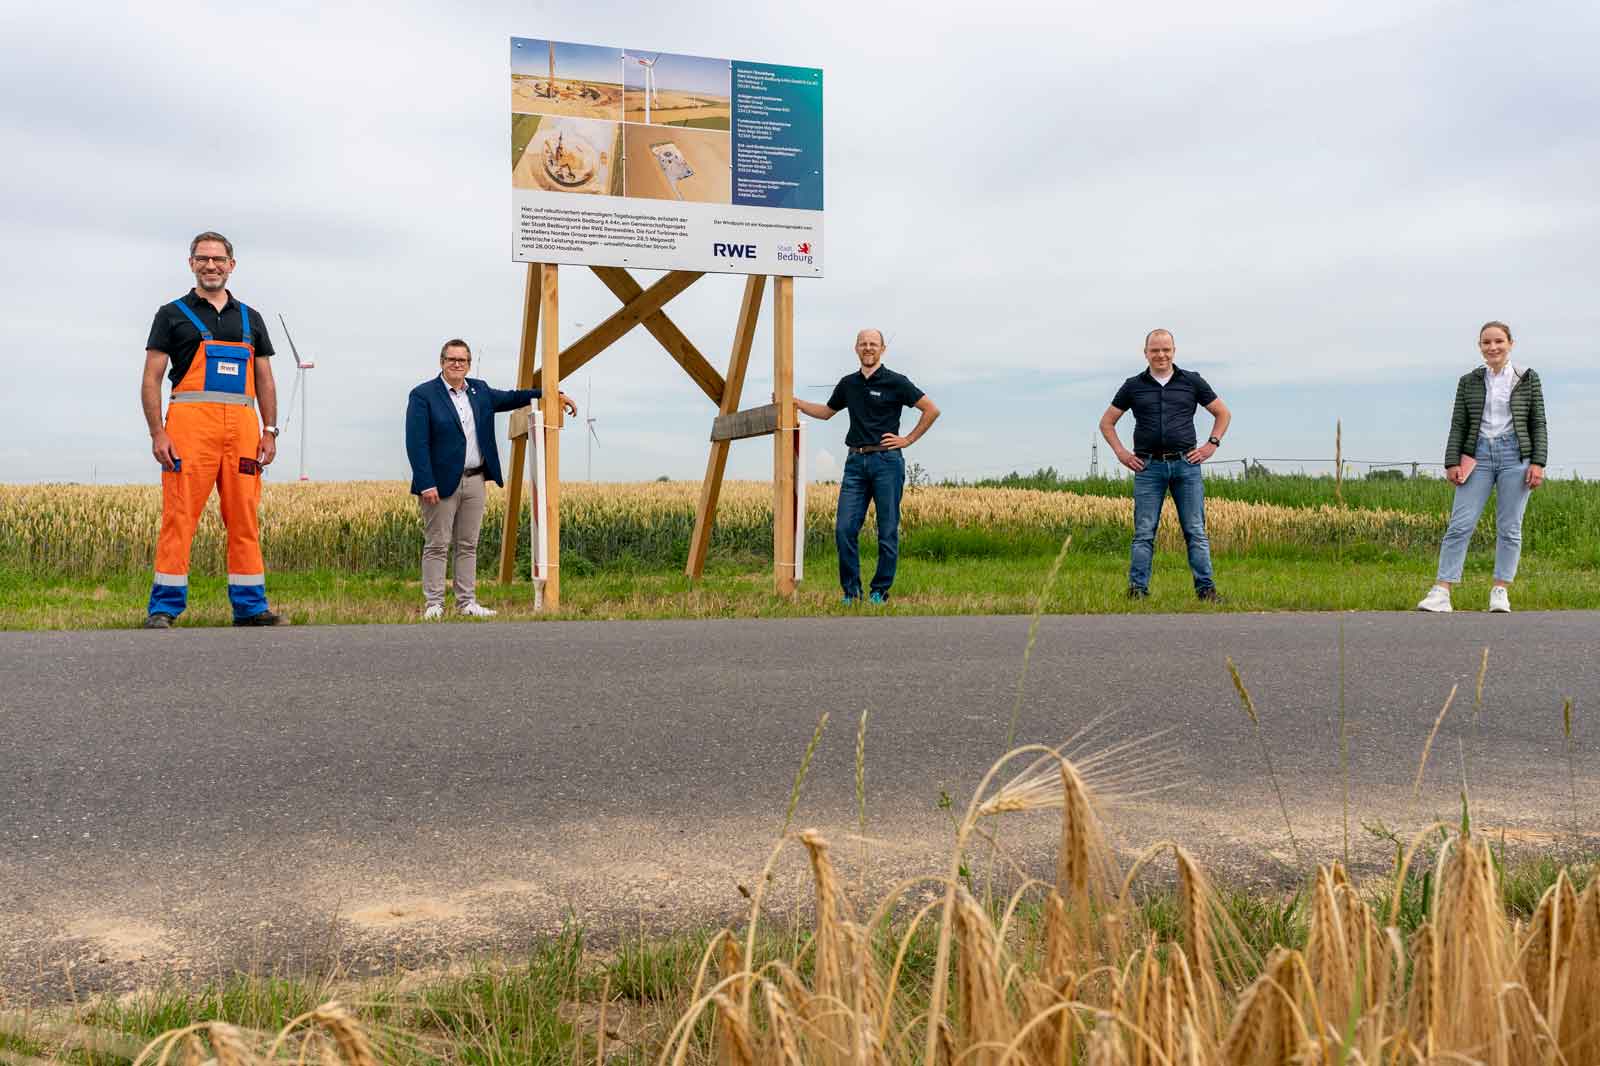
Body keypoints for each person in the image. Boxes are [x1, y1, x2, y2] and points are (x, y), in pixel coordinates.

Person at [142, 231, 282, 628]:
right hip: (188, 430)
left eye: (218, 259)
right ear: (191, 264)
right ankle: (164, 608)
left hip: (242, 431)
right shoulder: (170, 314)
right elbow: (151, 378)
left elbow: (265, 379)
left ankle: (251, 607)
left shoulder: (250, 318)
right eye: (202, 259)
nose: (211, 266)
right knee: (179, 516)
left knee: (244, 517)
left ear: (231, 265)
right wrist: (158, 433)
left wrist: (269, 430)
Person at [405, 340, 575, 620]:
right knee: (437, 544)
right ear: (442, 362)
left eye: (462, 360)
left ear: (469, 364)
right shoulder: (423, 395)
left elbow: (511, 397)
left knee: (468, 544)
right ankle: (434, 604)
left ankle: (467, 602)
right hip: (440, 483)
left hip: (475, 479)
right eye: (451, 359)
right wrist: (426, 482)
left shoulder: (479, 390)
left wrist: (552, 393)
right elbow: (416, 442)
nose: (457, 364)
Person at [793, 329, 940, 604]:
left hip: (887, 462)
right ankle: (851, 592)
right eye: (863, 344)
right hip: (855, 464)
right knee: (844, 529)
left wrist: (907, 439)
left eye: (873, 344)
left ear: (882, 349)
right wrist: (797, 403)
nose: (868, 348)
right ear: (856, 349)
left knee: (887, 530)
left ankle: (879, 591)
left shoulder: (897, 381)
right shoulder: (848, 384)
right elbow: (826, 413)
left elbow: (931, 409)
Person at [1417, 321, 1547, 613]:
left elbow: (1538, 422)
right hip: (1478, 456)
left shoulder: (1526, 378)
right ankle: (1441, 591)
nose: (1493, 347)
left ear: (1510, 343)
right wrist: (1452, 461)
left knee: (1510, 528)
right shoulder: (1469, 381)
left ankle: (1500, 590)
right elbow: (1459, 424)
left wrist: (1538, 462)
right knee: (1460, 524)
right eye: (1486, 343)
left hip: (1516, 455)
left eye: (1499, 341)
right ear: (1480, 347)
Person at [1098, 329, 1232, 601]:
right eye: (1155, 350)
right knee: (1144, 532)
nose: (1161, 355)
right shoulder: (1133, 386)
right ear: (1145, 352)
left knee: (1195, 530)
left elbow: (1222, 413)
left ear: (1174, 351)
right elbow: (1107, 422)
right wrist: (1122, 453)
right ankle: (1137, 591)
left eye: (1166, 350)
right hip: (1148, 468)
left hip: (1186, 466)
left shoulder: (1191, 382)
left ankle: (1206, 590)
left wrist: (1211, 445)